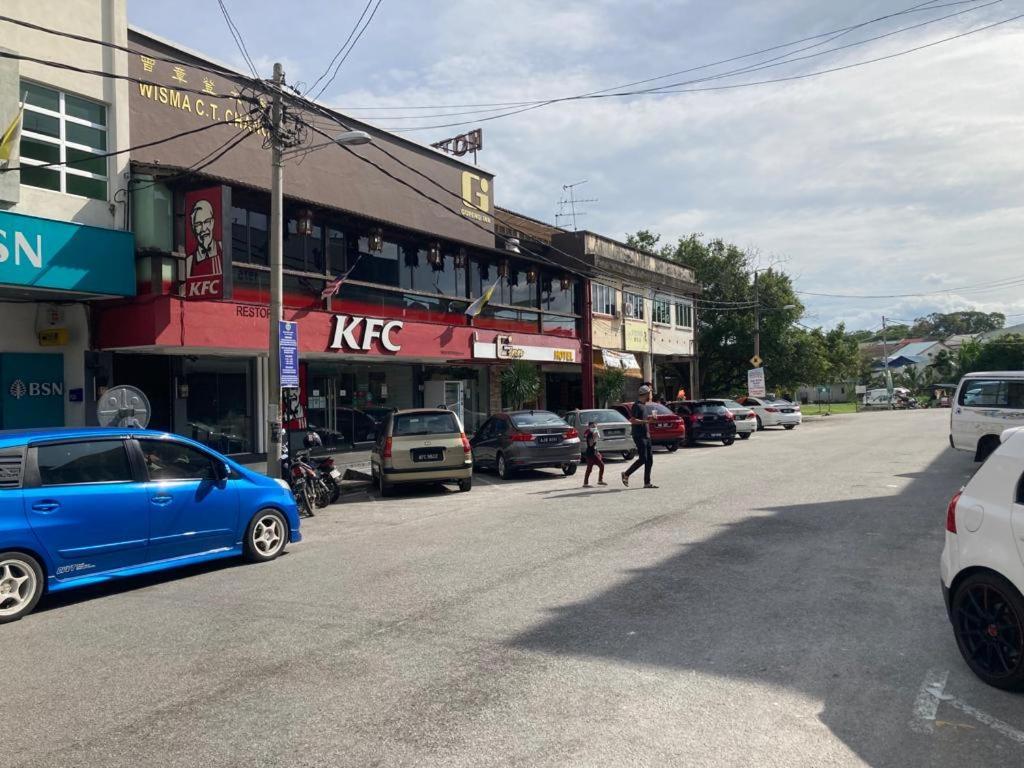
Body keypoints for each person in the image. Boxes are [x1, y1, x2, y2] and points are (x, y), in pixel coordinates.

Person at [622, 384, 658, 489]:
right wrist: (647, 421)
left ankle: (647, 483)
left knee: (649, 459)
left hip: (646, 435)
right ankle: (626, 474)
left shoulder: (644, 405)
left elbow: (643, 420)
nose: (651, 395)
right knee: (643, 458)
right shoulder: (636, 406)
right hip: (639, 435)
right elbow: (632, 420)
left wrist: (651, 419)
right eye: (650, 393)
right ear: (645, 394)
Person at [582, 420, 606, 487]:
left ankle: (600, 480)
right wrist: (594, 436)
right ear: (589, 426)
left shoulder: (593, 432)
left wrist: (597, 452)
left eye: (595, 426)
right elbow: (590, 444)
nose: (594, 427)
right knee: (590, 468)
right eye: (592, 426)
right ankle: (586, 483)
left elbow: (594, 446)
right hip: (590, 453)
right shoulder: (590, 433)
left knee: (601, 465)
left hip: (593, 452)